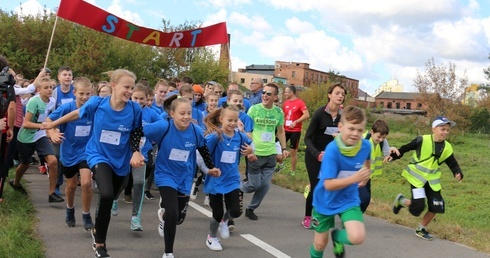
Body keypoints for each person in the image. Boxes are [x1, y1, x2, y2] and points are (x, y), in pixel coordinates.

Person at [42, 69, 145, 258]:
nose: (130, 91)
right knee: (105, 194)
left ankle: (98, 224)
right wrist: (52, 124)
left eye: (132, 87)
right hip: (98, 155)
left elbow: (136, 132)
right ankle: (100, 243)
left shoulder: (135, 109)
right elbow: (76, 114)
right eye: (126, 87)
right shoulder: (97, 103)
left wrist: (136, 152)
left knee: (112, 196)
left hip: (121, 160)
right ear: (113, 86)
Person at [143, 97, 220, 258]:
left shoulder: (195, 131)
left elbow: (203, 149)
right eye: (182, 113)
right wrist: (137, 151)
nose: (186, 117)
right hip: (165, 175)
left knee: (177, 218)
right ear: (172, 114)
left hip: (185, 177)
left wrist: (210, 167)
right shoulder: (163, 126)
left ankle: (164, 217)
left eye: (189, 113)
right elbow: (141, 130)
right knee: (172, 211)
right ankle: (168, 252)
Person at [310, 106, 371, 258]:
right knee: (319, 244)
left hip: (348, 199)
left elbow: (367, 163)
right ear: (341, 127)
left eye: (359, 130)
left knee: (357, 237)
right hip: (326, 200)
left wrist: (365, 176)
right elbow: (328, 184)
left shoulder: (366, 146)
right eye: (351, 128)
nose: (355, 134)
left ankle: (337, 236)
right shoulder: (332, 150)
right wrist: (355, 178)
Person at [391, 116, 463, 241]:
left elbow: (452, 162)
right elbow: (404, 149)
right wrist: (393, 156)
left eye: (447, 130)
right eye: (442, 129)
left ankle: (421, 228)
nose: (445, 132)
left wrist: (457, 172)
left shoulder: (447, 147)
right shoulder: (422, 140)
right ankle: (402, 201)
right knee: (417, 208)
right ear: (434, 128)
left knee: (437, 206)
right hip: (417, 178)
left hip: (432, 181)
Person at [198, 104, 253, 251]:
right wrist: (207, 170)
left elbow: (251, 144)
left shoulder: (240, 136)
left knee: (236, 210)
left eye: (235, 121)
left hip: (232, 179)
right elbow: (200, 152)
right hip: (216, 179)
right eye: (229, 120)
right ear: (221, 119)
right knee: (217, 212)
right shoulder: (215, 137)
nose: (232, 124)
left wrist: (251, 150)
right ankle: (212, 237)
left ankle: (225, 220)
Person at [45, 77, 94, 230]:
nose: (85, 97)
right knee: (71, 185)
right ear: (74, 93)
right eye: (81, 94)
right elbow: (48, 120)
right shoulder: (67, 108)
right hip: (69, 151)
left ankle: (86, 214)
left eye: (88, 94)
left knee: (86, 182)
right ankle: (70, 209)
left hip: (87, 151)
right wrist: (52, 133)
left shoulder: (93, 109)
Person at [111, 83, 161, 231]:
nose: (138, 101)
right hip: (124, 154)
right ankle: (114, 198)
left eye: (142, 99)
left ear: (147, 100)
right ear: (131, 97)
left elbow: (162, 123)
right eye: (136, 98)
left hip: (142, 154)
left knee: (139, 182)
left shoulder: (150, 113)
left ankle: (135, 217)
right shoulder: (125, 110)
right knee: (122, 181)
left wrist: (147, 131)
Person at [8, 76, 63, 203]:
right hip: (26, 137)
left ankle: (52, 192)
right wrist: (43, 126)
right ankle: (15, 182)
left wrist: (51, 130)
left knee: (53, 161)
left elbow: (50, 118)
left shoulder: (52, 101)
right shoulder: (34, 101)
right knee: (25, 163)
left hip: (40, 136)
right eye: (46, 88)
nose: (49, 90)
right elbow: (26, 123)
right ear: (38, 90)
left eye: (51, 87)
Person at [240, 83, 289, 220]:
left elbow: (280, 131)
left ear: (275, 97)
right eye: (264, 93)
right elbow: (247, 131)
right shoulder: (254, 110)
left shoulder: (278, 112)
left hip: (271, 153)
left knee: (265, 186)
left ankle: (251, 209)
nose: (265, 95)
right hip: (255, 153)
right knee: (253, 185)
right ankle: (237, 189)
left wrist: (284, 148)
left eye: (268, 93)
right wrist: (250, 150)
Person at [303, 83, 346, 229]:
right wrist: (317, 154)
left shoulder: (343, 115)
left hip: (331, 156)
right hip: (314, 154)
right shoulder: (319, 113)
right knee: (316, 187)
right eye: (337, 93)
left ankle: (322, 215)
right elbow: (307, 138)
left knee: (329, 187)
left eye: (343, 94)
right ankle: (308, 217)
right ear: (329, 95)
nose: (340, 96)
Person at [358, 119, 397, 212]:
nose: (381, 140)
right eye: (379, 137)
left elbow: (387, 154)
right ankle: (352, 220)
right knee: (363, 199)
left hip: (367, 177)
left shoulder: (383, 142)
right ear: (372, 132)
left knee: (365, 201)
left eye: (383, 137)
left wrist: (391, 156)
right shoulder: (363, 139)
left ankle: (353, 219)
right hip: (356, 174)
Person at [280, 85, 309, 176]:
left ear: (291, 92)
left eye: (286, 92)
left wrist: (296, 122)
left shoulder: (300, 102)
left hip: (295, 131)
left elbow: (306, 115)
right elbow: (283, 115)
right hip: (285, 129)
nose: (285, 94)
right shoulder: (286, 103)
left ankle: (292, 171)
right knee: (279, 148)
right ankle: (280, 165)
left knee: (293, 151)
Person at [0, 55, 17, 204]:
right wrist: (10, 127)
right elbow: (11, 107)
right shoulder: (7, 85)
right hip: (2, 128)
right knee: (1, 160)